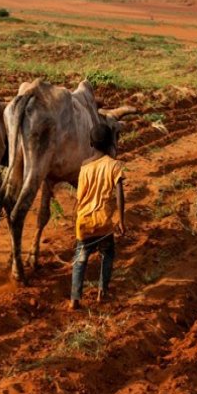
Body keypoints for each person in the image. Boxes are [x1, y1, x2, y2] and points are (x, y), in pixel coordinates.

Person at [70, 124, 126, 310]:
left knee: (80, 259)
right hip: (103, 222)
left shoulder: (84, 167)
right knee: (108, 254)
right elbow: (119, 193)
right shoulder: (114, 165)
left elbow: (79, 197)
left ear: (91, 143)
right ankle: (102, 292)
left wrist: (75, 219)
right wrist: (121, 220)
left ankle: (75, 299)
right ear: (111, 143)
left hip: (84, 221)